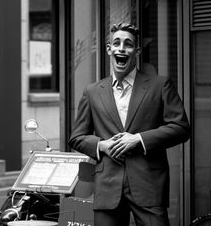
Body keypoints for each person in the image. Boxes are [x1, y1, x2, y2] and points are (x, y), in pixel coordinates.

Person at [68, 22, 190, 226]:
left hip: (149, 185)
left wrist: (139, 139)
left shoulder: (160, 85)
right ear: (109, 50)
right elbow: (77, 137)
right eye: (116, 43)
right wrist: (102, 145)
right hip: (107, 186)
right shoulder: (92, 91)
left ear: (137, 51)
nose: (122, 48)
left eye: (128, 44)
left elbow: (181, 128)